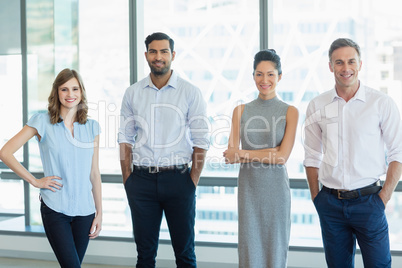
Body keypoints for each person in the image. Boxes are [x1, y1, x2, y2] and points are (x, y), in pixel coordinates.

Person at [304, 38, 402, 267]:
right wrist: (316, 197)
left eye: (351, 61)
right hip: (330, 203)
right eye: (339, 62)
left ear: (360, 64)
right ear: (330, 66)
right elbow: (311, 156)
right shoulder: (317, 105)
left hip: (369, 202)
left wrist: (383, 198)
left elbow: (398, 153)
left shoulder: (381, 103)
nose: (345, 68)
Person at [118, 32, 209, 268]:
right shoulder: (133, 93)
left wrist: (192, 181)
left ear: (173, 55)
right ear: (146, 55)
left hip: (179, 180)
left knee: (185, 254)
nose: (158, 57)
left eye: (164, 51)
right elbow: (125, 138)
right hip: (141, 181)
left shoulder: (190, 92)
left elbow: (201, 140)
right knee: (145, 256)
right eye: (153, 51)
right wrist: (128, 179)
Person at [0, 68, 102, 267]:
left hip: (85, 211)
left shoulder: (92, 127)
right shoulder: (42, 121)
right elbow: (5, 153)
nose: (70, 95)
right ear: (56, 92)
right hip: (55, 209)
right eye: (64, 89)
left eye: (75, 89)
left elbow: (94, 173)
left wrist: (99, 212)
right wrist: (35, 181)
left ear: (81, 92)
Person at [224, 49, 299, 268]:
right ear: (253, 75)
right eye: (259, 74)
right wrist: (270, 152)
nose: (264, 80)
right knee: (249, 254)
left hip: (276, 193)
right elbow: (230, 155)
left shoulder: (290, 112)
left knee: (275, 252)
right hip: (249, 191)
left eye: (270, 74)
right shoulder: (240, 110)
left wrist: (244, 154)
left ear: (280, 77)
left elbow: (283, 157)